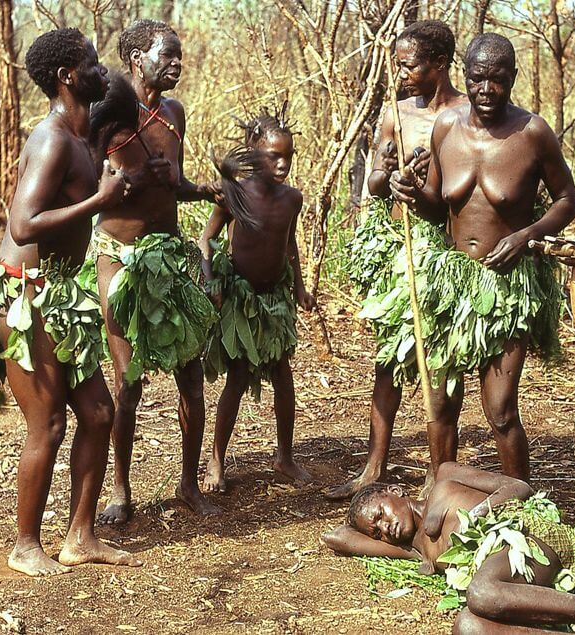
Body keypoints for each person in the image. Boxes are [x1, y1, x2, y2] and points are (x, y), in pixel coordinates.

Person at [0, 28, 141, 575]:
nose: (100, 66)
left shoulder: (78, 133)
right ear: (69, 76)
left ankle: (80, 537)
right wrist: (99, 200)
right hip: (26, 293)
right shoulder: (51, 138)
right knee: (47, 425)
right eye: (91, 60)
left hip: (62, 292)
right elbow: (23, 223)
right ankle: (24, 544)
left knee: (97, 412)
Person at [390, 33, 575, 485]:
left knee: (499, 409)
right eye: (477, 79)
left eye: (497, 80)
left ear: (512, 78)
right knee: (441, 404)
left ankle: (523, 509)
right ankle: (443, 503)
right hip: (450, 282)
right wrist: (412, 193)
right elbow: (440, 202)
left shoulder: (532, 132)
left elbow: (567, 200)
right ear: (464, 76)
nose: (486, 90)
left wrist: (527, 235)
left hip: (507, 287)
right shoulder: (446, 127)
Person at [328, 20, 468, 500]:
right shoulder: (396, 113)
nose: (401, 74)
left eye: (409, 65)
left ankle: (440, 474)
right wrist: (386, 173)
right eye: (399, 64)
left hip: (445, 253)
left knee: (443, 367)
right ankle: (373, 467)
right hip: (399, 247)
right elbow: (372, 184)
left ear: (440, 65)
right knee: (388, 362)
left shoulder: (469, 113)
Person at [92, 19, 221, 525]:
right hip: (119, 258)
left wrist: (202, 189)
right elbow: (92, 188)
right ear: (136, 57)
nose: (176, 63)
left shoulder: (174, 114)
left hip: (168, 256)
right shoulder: (108, 115)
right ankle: (121, 490)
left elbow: (173, 184)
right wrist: (135, 178)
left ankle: (188, 484)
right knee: (129, 383)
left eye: (179, 54)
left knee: (191, 378)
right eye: (166, 54)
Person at [323, 463, 575, 634]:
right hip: (503, 580)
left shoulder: (445, 480)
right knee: (468, 626)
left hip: (530, 538)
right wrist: (365, 522)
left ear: (397, 491)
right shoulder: (419, 551)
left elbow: (518, 486)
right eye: (378, 531)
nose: (386, 528)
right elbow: (337, 537)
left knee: (480, 591)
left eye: (382, 513)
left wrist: (481, 511)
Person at [199, 109, 316, 490]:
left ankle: (285, 455)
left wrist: (299, 285)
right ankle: (216, 461)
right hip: (241, 297)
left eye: (289, 157)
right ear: (253, 151)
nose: (283, 165)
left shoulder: (291, 199)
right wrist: (211, 279)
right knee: (237, 376)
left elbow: (290, 242)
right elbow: (208, 239)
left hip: (275, 296)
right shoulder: (235, 194)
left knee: (283, 374)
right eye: (274, 156)